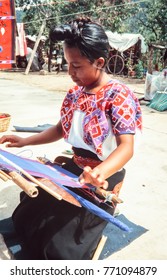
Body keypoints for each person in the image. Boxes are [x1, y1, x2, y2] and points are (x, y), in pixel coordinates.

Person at [0, 17, 142, 260]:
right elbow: (59, 129)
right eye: (68, 64)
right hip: (75, 168)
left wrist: (100, 173)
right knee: (27, 216)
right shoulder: (76, 93)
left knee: (59, 245)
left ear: (99, 62)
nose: (70, 72)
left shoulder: (119, 95)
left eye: (76, 66)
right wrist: (24, 141)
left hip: (102, 177)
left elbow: (126, 148)